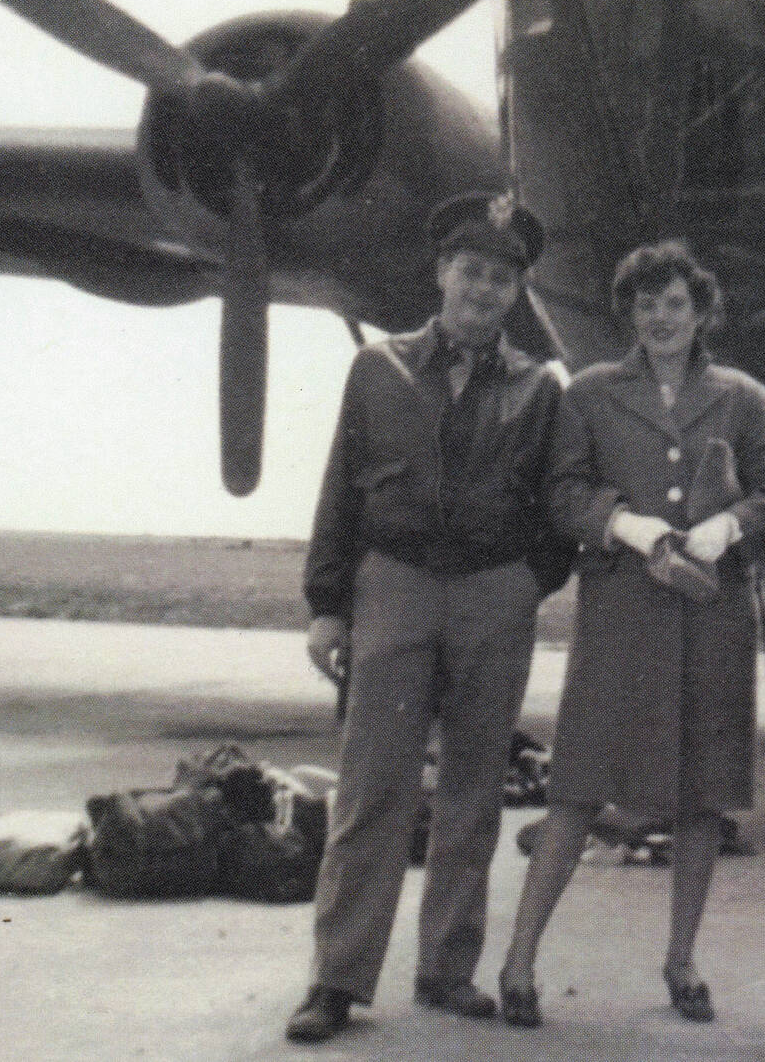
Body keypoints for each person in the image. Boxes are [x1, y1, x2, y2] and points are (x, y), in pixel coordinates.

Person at [285, 191, 575, 1044]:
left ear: (518, 289)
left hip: (493, 592)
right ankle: (337, 977)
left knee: (475, 791)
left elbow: (558, 505)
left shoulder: (540, 389)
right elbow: (339, 489)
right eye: (471, 269)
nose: (483, 288)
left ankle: (447, 967)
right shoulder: (378, 369)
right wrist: (326, 606)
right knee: (373, 787)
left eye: (501, 275)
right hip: (395, 585)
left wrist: (530, 581)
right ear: (442, 272)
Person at [495, 239, 765, 1027]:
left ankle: (681, 960)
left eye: (676, 304)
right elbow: (562, 490)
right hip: (623, 611)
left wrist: (730, 526)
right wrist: (621, 522)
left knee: (700, 799)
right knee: (578, 787)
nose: (662, 318)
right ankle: (519, 960)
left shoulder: (745, 397)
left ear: (702, 313)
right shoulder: (589, 394)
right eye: (647, 304)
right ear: (630, 313)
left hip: (713, 616)